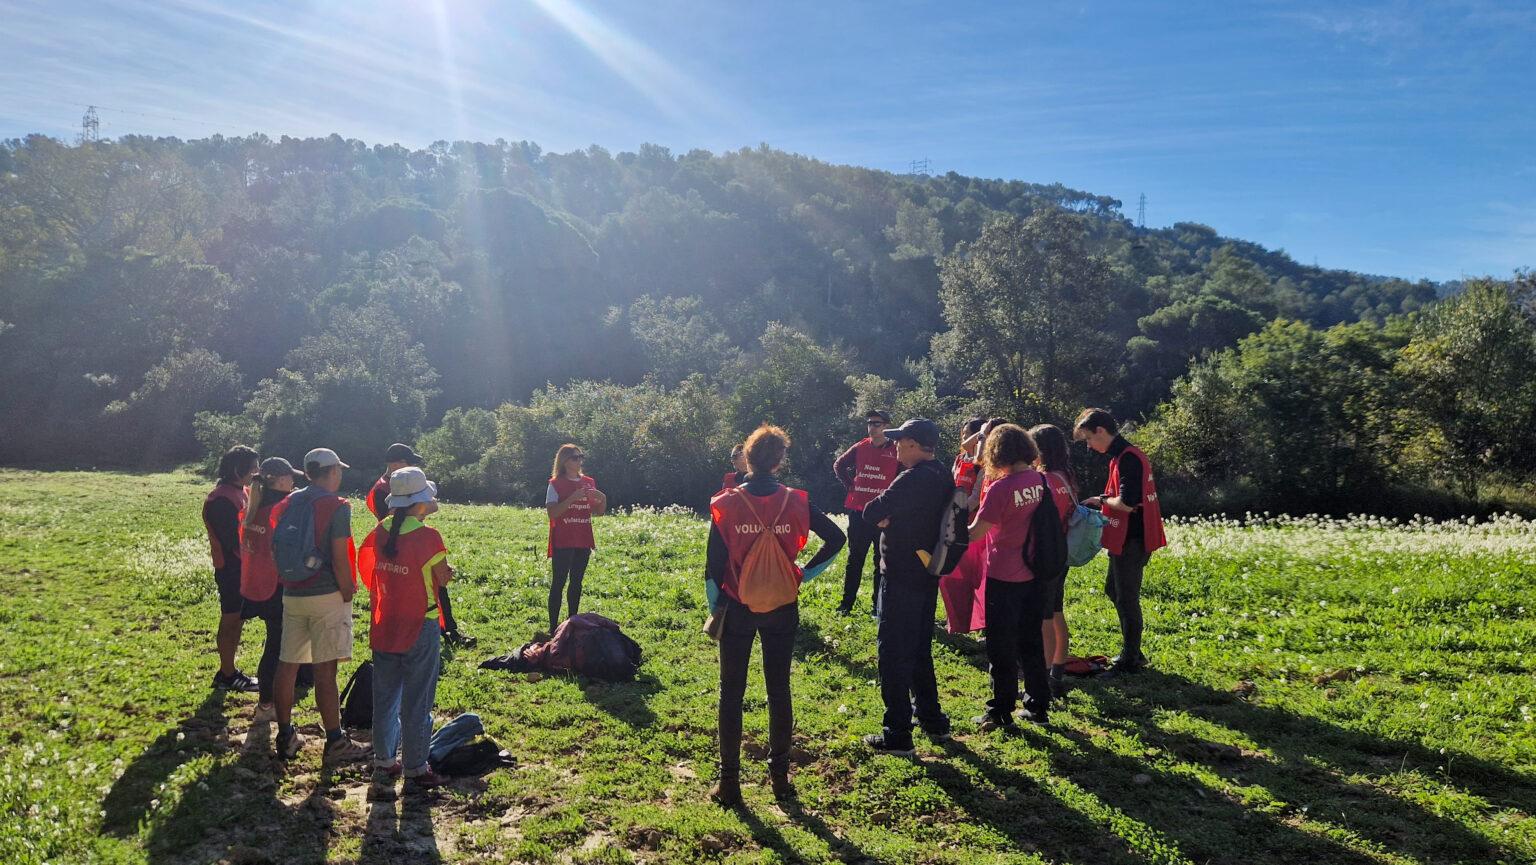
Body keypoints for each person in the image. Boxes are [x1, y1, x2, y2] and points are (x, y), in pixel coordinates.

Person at [705, 425, 845, 807]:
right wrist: (803, 574)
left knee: (731, 693)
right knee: (779, 690)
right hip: (783, 605)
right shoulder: (797, 501)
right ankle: (780, 780)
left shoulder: (726, 503)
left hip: (737, 606)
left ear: (747, 459)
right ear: (780, 461)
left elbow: (713, 565)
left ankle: (729, 783)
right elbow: (837, 538)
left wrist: (716, 607)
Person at [357, 466, 454, 794]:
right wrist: (449, 571)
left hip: (385, 623)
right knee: (418, 700)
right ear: (420, 502)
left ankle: (384, 761)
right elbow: (442, 577)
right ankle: (416, 767)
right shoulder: (429, 537)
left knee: (385, 698)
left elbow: (369, 568)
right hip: (420, 626)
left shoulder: (380, 530)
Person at [860, 418, 954, 755]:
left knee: (893, 652)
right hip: (927, 571)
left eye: (900, 441)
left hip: (901, 574)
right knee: (918, 647)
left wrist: (888, 518)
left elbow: (871, 511)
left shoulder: (912, 478)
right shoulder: (942, 473)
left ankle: (897, 733)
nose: (895, 446)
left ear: (914, 444)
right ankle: (932, 719)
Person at [271, 447, 369, 763]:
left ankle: (285, 734)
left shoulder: (289, 502)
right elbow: (340, 556)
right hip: (326, 594)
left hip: (292, 592)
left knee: (287, 665)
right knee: (325, 671)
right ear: (333, 472)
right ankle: (336, 740)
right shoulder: (337, 506)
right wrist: (347, 590)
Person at [967, 424, 1053, 730]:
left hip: (1004, 574)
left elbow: (975, 532)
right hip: (1034, 571)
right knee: (1031, 642)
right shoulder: (1039, 480)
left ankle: (1000, 710)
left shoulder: (1001, 489)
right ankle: (1038, 706)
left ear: (996, 453)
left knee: (1001, 646)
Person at [1074, 408, 1167, 677]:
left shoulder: (1128, 458)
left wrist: (1102, 500)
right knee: (1114, 590)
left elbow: (1127, 503)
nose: (1089, 445)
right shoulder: (1122, 456)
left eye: (1089, 439)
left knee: (1126, 597)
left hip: (1133, 539)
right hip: (1126, 538)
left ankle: (1130, 659)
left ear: (1101, 431)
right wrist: (1102, 499)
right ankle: (1133, 651)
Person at [369, 443, 472, 648]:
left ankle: (448, 630)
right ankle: (437, 631)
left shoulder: (395, 487)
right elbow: (417, 510)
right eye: (409, 463)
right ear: (395, 464)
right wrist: (421, 506)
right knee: (421, 590)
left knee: (435, 588)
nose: (413, 467)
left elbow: (427, 506)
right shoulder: (381, 489)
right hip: (402, 547)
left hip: (409, 544)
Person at [240, 457, 306, 721]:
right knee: (278, 648)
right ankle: (268, 705)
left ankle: (266, 703)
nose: (293, 480)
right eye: (290, 476)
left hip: (259, 585)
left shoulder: (254, 506)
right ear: (279, 481)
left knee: (273, 644)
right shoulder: (281, 509)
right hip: (278, 587)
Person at [203, 445, 261, 693]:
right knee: (231, 618)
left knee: (238, 618)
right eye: (253, 467)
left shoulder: (242, 491)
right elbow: (232, 540)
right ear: (238, 469)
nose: (257, 472)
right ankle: (226, 674)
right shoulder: (220, 499)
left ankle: (229, 671)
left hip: (243, 568)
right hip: (230, 569)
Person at [833, 409, 899, 615]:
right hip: (858, 511)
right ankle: (846, 604)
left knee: (881, 559)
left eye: (877, 423)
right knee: (855, 558)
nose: (872, 427)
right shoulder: (860, 446)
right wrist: (851, 486)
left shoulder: (896, 449)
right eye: (869, 423)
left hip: (882, 513)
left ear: (886, 426)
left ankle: (877, 607)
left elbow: (904, 476)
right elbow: (839, 465)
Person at [1029, 424, 1078, 697]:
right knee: (1056, 611)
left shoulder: (1044, 480)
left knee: (1043, 617)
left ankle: (1044, 679)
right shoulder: (1066, 476)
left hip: (1045, 555)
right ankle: (1057, 672)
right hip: (1062, 553)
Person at [545, 444, 607, 633]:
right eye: (575, 457)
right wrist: (572, 498)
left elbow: (599, 512)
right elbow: (552, 513)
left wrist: (602, 498)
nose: (579, 460)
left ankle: (572, 623)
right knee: (558, 583)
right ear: (564, 461)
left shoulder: (589, 482)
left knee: (576, 583)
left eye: (581, 457)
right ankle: (553, 628)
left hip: (583, 539)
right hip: (563, 540)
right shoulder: (555, 483)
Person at [939, 418, 987, 633]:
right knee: (950, 577)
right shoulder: (960, 459)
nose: (963, 438)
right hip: (954, 523)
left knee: (975, 577)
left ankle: (979, 623)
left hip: (973, 526)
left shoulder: (984, 464)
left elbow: (977, 496)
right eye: (963, 433)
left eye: (967, 434)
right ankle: (955, 621)